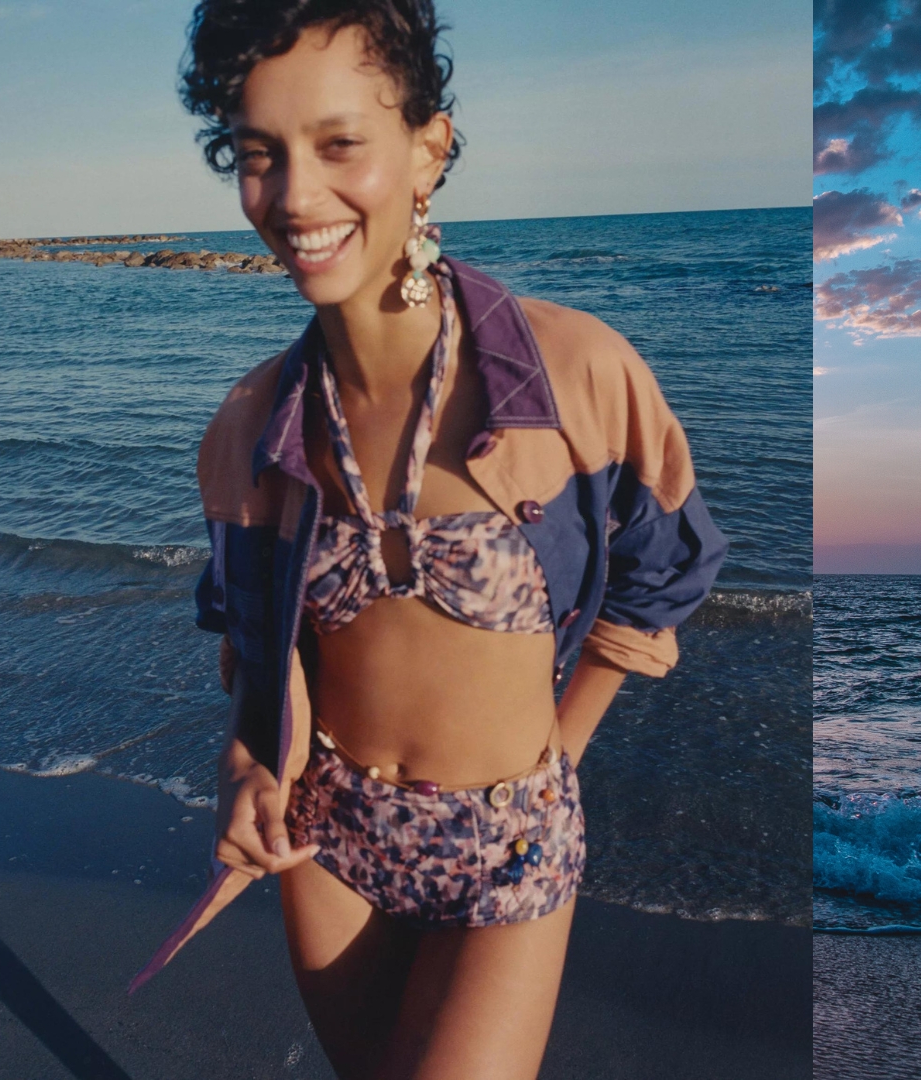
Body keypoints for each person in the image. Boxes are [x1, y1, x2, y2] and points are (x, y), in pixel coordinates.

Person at [130, 3, 728, 1077]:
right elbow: (260, 653)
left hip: (511, 851)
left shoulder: (574, 374)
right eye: (259, 154)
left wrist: (557, 764)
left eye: (340, 143)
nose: (297, 196)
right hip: (330, 840)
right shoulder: (249, 428)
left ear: (428, 150)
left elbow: (662, 571)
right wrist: (243, 771)